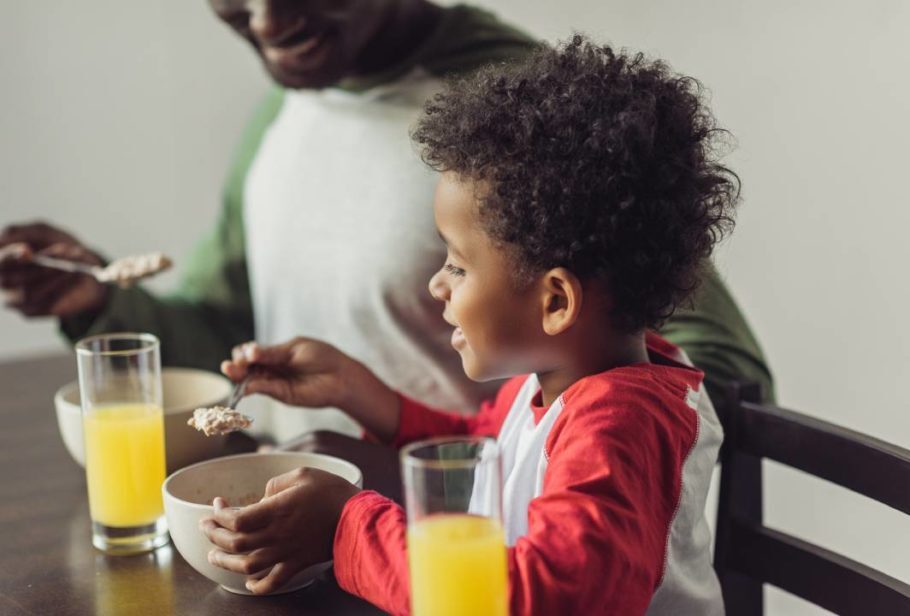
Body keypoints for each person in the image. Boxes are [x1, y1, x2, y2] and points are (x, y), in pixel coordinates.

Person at [0, 1, 773, 444]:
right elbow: (227, 335)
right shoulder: (289, 106)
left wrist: (503, 479)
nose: (266, 18)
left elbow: (716, 372)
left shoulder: (525, 121)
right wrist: (98, 302)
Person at [201, 36, 731, 614]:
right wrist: (357, 389)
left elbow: (543, 598)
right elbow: (485, 448)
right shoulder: (563, 380)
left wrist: (345, 528)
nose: (438, 284)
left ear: (556, 302)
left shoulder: (619, 428)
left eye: (457, 263)